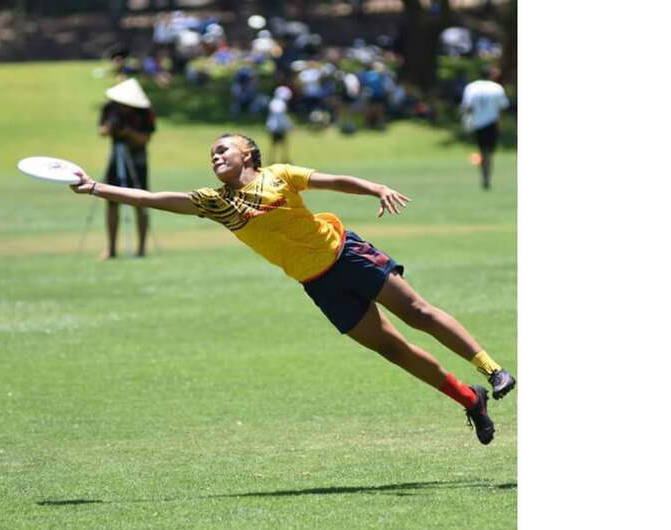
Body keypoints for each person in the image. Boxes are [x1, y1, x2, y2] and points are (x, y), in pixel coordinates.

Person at [69, 134, 516, 444]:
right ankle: (469, 399)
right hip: (318, 284)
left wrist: (374, 187)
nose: (215, 156)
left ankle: (491, 370)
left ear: (249, 155)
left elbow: (331, 180)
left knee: (417, 312)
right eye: (211, 154)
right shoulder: (215, 203)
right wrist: (95, 188)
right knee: (393, 349)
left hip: (346, 253)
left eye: (223, 149)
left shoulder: (278, 174)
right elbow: (153, 198)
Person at [98, 78, 156, 258]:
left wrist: (129, 133)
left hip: (137, 159)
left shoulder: (144, 112)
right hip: (116, 158)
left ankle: (141, 248)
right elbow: (101, 131)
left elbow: (145, 138)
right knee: (111, 202)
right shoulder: (110, 108)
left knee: (142, 202)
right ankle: (111, 248)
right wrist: (109, 128)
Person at [460, 66, 510, 189]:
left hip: (478, 123)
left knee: (482, 151)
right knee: (490, 153)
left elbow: (467, 106)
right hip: (491, 122)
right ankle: (487, 175)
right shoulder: (496, 88)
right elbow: (501, 107)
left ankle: (484, 174)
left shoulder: (471, 87)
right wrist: (500, 124)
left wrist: (468, 121)